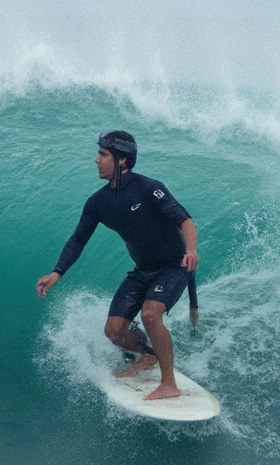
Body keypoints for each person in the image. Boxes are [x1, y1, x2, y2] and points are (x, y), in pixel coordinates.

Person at [36, 131, 198, 400]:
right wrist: (57, 272)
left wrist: (191, 251)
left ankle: (169, 384)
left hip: (174, 266)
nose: (96, 160)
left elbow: (185, 221)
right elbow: (77, 240)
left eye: (103, 154)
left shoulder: (149, 188)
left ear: (122, 161)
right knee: (114, 330)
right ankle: (148, 355)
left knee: (150, 314)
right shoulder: (97, 202)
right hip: (143, 270)